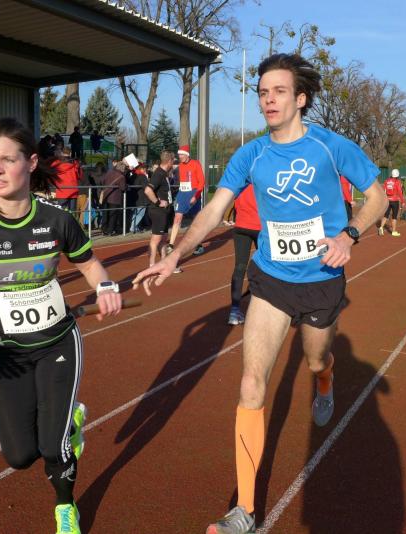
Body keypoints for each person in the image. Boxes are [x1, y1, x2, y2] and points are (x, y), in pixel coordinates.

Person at [132, 53, 387, 534]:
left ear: (301, 99)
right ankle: (244, 510)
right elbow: (215, 210)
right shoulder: (250, 155)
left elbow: (378, 197)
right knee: (251, 383)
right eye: (263, 92)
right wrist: (174, 254)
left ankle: (325, 377)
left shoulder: (331, 147)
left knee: (314, 359)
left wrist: (348, 236)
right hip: (270, 280)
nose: (269, 100)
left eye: (279, 91)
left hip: (322, 280)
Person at [0, 117, 122, 534]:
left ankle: (65, 505)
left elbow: (90, 264)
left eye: (7, 160)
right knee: (18, 457)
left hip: (57, 343)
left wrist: (106, 286)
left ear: (31, 163)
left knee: (54, 446)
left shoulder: (57, 220)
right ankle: (67, 425)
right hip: (6, 354)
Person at [143, 151, 181, 272]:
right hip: (158, 211)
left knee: (164, 239)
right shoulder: (158, 174)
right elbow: (148, 190)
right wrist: (158, 202)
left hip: (165, 211)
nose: (173, 163)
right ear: (169, 161)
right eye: (173, 161)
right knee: (156, 240)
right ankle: (152, 266)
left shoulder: (164, 173)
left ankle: (165, 264)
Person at [227, 184, 260, 326]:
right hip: (260, 227)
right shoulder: (263, 176)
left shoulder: (240, 178)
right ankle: (265, 308)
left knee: (239, 267)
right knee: (268, 267)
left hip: (241, 225)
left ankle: (234, 311)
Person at [168, 145, 206, 256]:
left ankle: (199, 245)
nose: (179, 156)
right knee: (177, 218)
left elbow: (201, 182)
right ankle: (171, 245)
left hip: (193, 193)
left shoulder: (196, 164)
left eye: (181, 155)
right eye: (179, 155)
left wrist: (196, 196)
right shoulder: (180, 166)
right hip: (182, 193)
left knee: (195, 221)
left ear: (186, 155)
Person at [99, 160, 127, 236]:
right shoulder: (121, 176)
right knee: (113, 215)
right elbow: (123, 188)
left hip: (106, 196)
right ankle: (110, 231)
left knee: (105, 214)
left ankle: (104, 229)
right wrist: (126, 186)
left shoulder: (109, 172)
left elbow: (102, 181)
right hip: (115, 198)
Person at [378, 168, 405, 237]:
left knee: (386, 215)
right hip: (395, 201)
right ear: (397, 175)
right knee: (394, 216)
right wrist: (402, 201)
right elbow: (399, 192)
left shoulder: (386, 181)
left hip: (388, 200)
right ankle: (394, 231)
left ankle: (381, 227)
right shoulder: (397, 182)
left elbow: (384, 190)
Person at [129, 164, 150, 233]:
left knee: (135, 213)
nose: (145, 171)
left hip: (134, 198)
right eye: (145, 169)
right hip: (142, 198)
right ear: (142, 169)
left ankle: (134, 226)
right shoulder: (143, 176)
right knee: (141, 213)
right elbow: (146, 187)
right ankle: (133, 227)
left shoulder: (133, 176)